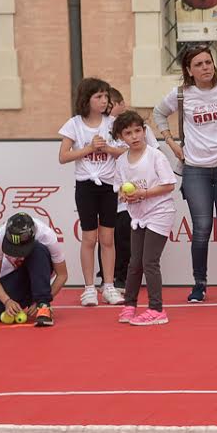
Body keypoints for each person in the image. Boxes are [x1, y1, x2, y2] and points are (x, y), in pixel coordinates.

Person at [152, 44, 217, 302]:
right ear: (189, 70)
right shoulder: (181, 94)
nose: (205, 67)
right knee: (201, 228)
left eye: (208, 62)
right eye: (198, 64)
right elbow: (158, 113)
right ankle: (199, 284)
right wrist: (171, 143)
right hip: (195, 169)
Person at [59, 77, 124, 307]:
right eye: (99, 96)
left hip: (108, 186)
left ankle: (109, 286)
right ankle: (88, 288)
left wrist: (107, 148)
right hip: (86, 186)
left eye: (106, 96)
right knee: (89, 237)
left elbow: (124, 152)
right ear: (87, 100)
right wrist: (88, 148)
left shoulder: (112, 123)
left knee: (107, 238)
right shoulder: (74, 124)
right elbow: (63, 156)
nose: (104, 100)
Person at [113, 111, 177, 326]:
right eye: (128, 133)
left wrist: (143, 193)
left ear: (144, 131)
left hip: (160, 212)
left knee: (149, 261)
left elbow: (169, 185)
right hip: (137, 215)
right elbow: (119, 188)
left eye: (138, 130)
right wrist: (125, 195)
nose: (134, 136)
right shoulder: (121, 161)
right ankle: (129, 306)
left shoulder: (155, 156)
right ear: (121, 137)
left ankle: (157, 310)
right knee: (134, 263)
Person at [107, 87, 158, 291]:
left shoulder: (145, 133)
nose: (134, 136)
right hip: (121, 197)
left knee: (139, 241)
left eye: (110, 104)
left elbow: (155, 154)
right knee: (119, 236)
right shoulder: (105, 129)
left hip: (146, 195)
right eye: (128, 133)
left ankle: (133, 278)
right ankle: (117, 278)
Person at [0, 212, 68, 327]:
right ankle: (31, 298)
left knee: (38, 249)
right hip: (16, 276)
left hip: (40, 274)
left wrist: (44, 299)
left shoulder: (46, 235)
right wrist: (7, 301)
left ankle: (43, 306)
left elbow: (62, 275)